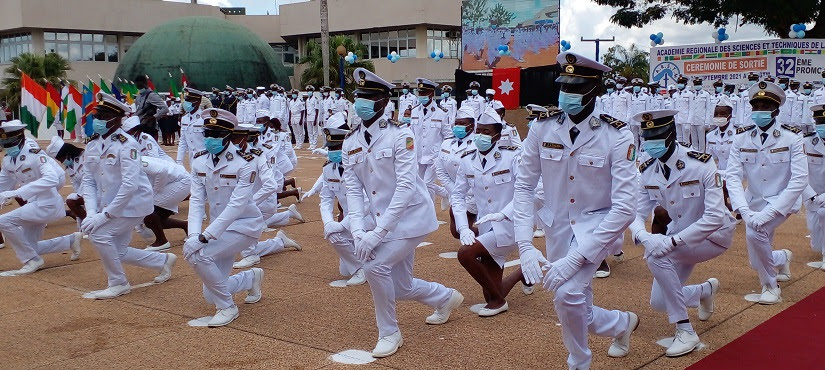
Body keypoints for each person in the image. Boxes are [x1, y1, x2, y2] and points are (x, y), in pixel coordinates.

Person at [512, 52, 639, 370]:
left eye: (577, 87)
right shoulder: (542, 130)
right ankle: (621, 324)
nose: (567, 94)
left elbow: (624, 207)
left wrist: (577, 257)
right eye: (564, 87)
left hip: (596, 230)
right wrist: (525, 246)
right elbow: (524, 188)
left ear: (596, 90)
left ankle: (579, 362)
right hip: (556, 230)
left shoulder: (617, 135)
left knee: (567, 294)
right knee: (577, 303)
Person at [343, 68, 463, 358]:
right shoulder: (350, 141)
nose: (362, 103)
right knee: (400, 286)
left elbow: (406, 187)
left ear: (383, 102)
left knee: (374, 266)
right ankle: (445, 297)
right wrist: (359, 231)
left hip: (411, 217)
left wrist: (377, 234)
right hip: (379, 221)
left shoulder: (401, 135)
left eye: (368, 98)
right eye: (359, 97)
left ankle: (390, 332)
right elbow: (353, 192)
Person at [630, 109, 733, 357]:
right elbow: (633, 214)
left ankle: (685, 330)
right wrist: (645, 237)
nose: (651, 141)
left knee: (657, 257)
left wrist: (671, 241)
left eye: (658, 135)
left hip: (714, 236)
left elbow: (714, 216)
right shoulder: (647, 171)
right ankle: (705, 291)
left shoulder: (701, 163)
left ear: (672, 134)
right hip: (679, 239)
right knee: (659, 302)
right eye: (647, 136)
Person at [80, 93, 177, 299]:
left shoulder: (127, 144)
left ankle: (118, 283)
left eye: (102, 116)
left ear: (115, 119)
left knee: (99, 235)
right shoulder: (92, 145)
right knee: (118, 250)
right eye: (96, 116)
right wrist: (90, 212)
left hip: (133, 204)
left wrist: (104, 216)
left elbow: (130, 185)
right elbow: (87, 181)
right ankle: (162, 261)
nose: (97, 121)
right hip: (110, 206)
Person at [726, 81, 807, 305]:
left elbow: (799, 178)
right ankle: (781, 257)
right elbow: (733, 176)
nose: (760, 110)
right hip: (752, 202)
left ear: (776, 110)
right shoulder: (741, 137)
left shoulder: (792, 137)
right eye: (756, 105)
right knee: (756, 260)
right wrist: (743, 209)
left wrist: (771, 212)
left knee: (755, 233)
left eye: (765, 105)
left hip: (782, 200)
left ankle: (771, 285)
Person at [183, 108, 266, 327]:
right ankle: (250, 278)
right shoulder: (199, 161)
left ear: (230, 135)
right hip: (219, 230)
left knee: (197, 255)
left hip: (244, 226)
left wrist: (204, 237)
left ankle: (228, 307)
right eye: (208, 133)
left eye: (217, 134)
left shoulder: (245, 162)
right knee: (210, 293)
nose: (211, 139)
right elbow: (196, 201)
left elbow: (237, 205)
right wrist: (193, 234)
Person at [452, 107, 524, 317]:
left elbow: (523, 191)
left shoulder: (512, 157)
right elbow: (457, 195)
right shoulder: (467, 160)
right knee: (491, 292)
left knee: (466, 253)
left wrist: (504, 214)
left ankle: (500, 302)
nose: (481, 135)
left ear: (497, 136)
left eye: (486, 132)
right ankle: (522, 273)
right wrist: (463, 227)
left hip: (510, 223)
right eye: (479, 131)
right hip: (486, 227)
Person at [0, 120, 81, 276]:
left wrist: (16, 193)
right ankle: (70, 241)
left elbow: (52, 178)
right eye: (4, 142)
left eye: (10, 142)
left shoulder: (34, 154)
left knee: (4, 221)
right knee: (29, 245)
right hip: (35, 204)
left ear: (20, 138)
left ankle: (32, 261)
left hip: (47, 204)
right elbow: (2, 184)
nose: (7, 146)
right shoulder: (8, 160)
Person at [231, 120, 302, 269]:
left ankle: (251, 256)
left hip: (263, 200)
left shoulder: (265, 152)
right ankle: (279, 242)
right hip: (254, 200)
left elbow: (271, 183)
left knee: (241, 224)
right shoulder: (238, 153)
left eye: (239, 139)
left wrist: (249, 202)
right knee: (237, 228)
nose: (236, 142)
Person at [318, 112, 367, 285]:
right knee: (343, 269)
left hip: (367, 218)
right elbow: (325, 199)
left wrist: (341, 225)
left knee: (336, 235)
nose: (333, 152)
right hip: (349, 219)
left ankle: (362, 269)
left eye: (336, 147)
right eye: (330, 148)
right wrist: (328, 223)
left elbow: (367, 202)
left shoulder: (359, 165)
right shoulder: (328, 169)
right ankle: (363, 264)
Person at [437, 106, 478, 240]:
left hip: (475, 194)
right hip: (455, 192)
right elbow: (440, 171)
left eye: (462, 124)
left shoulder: (478, 144)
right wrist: (454, 190)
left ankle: (485, 241)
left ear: (472, 126)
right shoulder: (447, 144)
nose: (458, 126)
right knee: (456, 232)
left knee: (466, 227)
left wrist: (467, 193)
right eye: (457, 123)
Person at [410, 78, 453, 209]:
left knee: (428, 184)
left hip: (434, 156)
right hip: (418, 155)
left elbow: (448, 135)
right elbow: (410, 134)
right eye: (420, 93)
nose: (421, 96)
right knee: (419, 184)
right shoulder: (414, 111)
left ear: (431, 94)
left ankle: (429, 213)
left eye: (424, 93)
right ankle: (444, 193)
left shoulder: (441, 113)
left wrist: (443, 155)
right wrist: (409, 151)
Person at [706, 95, 737, 213]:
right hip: (721, 171)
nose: (719, 117)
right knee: (716, 183)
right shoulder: (710, 135)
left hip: (738, 172)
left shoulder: (738, 134)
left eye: (723, 114)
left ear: (730, 116)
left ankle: (734, 208)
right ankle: (728, 208)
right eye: (716, 114)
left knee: (721, 185)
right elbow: (709, 158)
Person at [804, 105, 825, 268]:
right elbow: (800, 172)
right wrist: (810, 194)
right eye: (820, 121)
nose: (822, 125)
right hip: (813, 195)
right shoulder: (807, 141)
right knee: (816, 243)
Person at [176, 88, 207, 166]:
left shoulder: (205, 118)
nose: (186, 103)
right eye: (186, 100)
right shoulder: (184, 118)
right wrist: (179, 161)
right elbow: (183, 142)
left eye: (189, 101)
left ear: (197, 102)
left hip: (206, 159)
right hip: (192, 159)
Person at [134, 75, 169, 141]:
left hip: (149, 127)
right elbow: (138, 111)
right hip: (139, 125)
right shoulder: (138, 96)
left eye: (140, 86)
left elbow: (165, 109)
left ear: (145, 84)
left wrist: (154, 117)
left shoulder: (152, 95)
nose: (139, 88)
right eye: (138, 87)